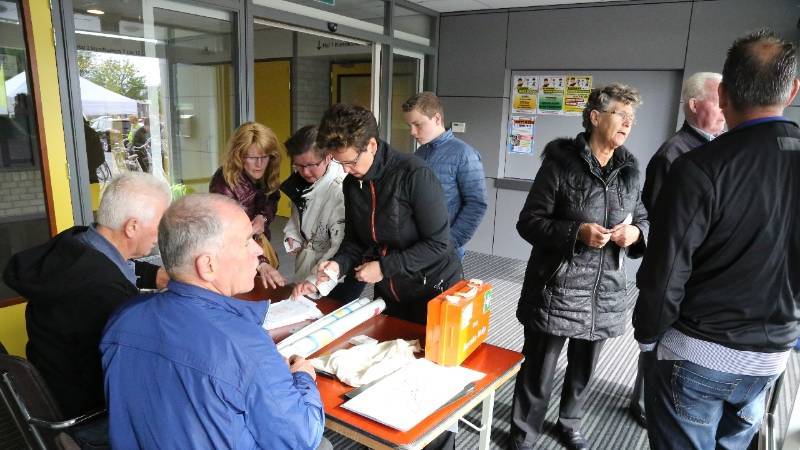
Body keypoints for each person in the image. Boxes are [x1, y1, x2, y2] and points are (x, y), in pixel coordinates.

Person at [634, 29, 800, 450]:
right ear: (793, 90)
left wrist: (648, 337)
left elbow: (665, 270)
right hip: (773, 357)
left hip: (696, 353)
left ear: (723, 94)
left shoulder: (700, 168)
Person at [100, 194, 329, 449]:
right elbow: (301, 438)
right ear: (207, 265)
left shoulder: (123, 319)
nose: (258, 250)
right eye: (247, 242)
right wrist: (303, 377)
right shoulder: (245, 347)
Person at [293, 103, 462, 450]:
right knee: (392, 372)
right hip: (391, 292)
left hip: (433, 290)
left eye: (350, 161)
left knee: (433, 383)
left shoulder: (414, 175)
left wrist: (384, 267)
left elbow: (439, 244)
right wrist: (337, 264)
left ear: (371, 145)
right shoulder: (352, 183)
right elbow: (357, 240)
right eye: (339, 162)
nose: (346, 170)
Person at [510, 83, 649, 450]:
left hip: (605, 290)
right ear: (595, 117)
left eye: (632, 118)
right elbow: (529, 222)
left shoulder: (629, 170)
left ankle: (570, 422)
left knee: (584, 367)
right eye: (621, 114)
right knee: (539, 366)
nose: (627, 123)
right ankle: (525, 431)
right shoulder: (559, 165)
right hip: (557, 288)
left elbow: (643, 217)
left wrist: (636, 232)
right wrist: (577, 232)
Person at [3, 172, 170, 443]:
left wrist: (155, 275)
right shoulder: (102, 290)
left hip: (58, 392)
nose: (161, 234)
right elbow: (140, 368)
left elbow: (114, 266)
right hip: (90, 418)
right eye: (160, 224)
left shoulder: (75, 243)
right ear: (132, 227)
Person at [628, 71, 725, 428]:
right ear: (695, 105)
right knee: (657, 339)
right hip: (672, 271)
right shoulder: (674, 154)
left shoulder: (718, 148)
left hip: (697, 274)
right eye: (718, 102)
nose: (725, 110)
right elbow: (658, 224)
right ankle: (643, 402)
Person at [280, 125, 364, 302]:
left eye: (311, 165)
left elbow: (342, 246)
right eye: (298, 165)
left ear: (328, 157)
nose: (305, 172)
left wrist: (315, 282)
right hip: (309, 261)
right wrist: (293, 235)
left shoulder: (341, 189)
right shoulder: (303, 181)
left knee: (330, 312)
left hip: (337, 274)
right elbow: (298, 215)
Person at [402, 92, 488, 260]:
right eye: (409, 126)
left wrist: (449, 243)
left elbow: (477, 204)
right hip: (416, 246)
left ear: (437, 119)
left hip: (444, 249)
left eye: (417, 124)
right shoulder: (420, 152)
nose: (412, 131)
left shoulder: (465, 154)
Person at [209, 121, 286, 289]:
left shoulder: (266, 172)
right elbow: (231, 234)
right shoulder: (223, 184)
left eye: (264, 156)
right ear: (238, 156)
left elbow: (273, 197)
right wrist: (262, 262)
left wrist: (262, 217)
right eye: (252, 158)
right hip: (234, 256)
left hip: (258, 247)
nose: (259, 164)